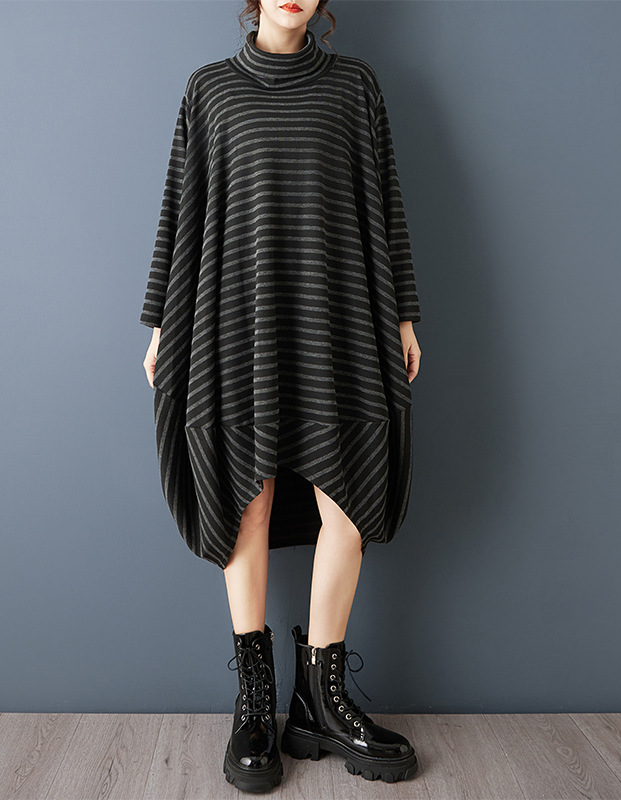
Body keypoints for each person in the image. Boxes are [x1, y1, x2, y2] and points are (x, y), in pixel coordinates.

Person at [141, 0, 422, 792]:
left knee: (349, 504)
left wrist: (403, 314)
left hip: (340, 318)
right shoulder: (209, 90)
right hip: (239, 321)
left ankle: (321, 703)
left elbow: (385, 201)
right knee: (248, 503)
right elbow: (180, 208)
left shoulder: (356, 87)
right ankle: (254, 705)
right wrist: (161, 321)